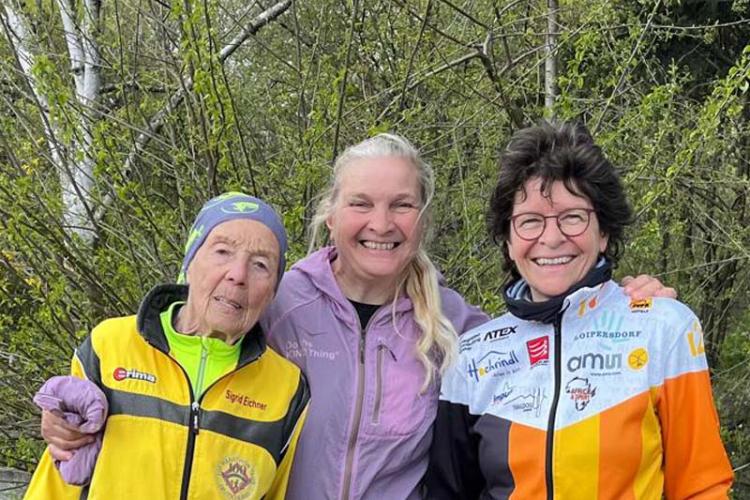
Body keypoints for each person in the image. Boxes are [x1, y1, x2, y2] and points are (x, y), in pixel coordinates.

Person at [39, 134, 675, 499]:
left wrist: (615, 302)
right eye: (361, 203)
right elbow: (179, 355)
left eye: (401, 204)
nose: (381, 223)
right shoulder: (275, 298)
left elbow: (544, 336)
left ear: (422, 220)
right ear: (331, 214)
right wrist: (75, 416)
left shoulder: (460, 328)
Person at [426, 121, 733, 499]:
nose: (552, 238)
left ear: (603, 232)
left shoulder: (664, 328)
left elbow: (703, 487)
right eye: (530, 221)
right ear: (507, 241)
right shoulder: (472, 354)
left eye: (572, 216)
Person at [25, 193, 310, 500]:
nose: (238, 275)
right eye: (223, 251)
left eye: (260, 265)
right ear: (190, 262)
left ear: (273, 291)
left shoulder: (285, 389)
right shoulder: (110, 346)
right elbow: (60, 473)